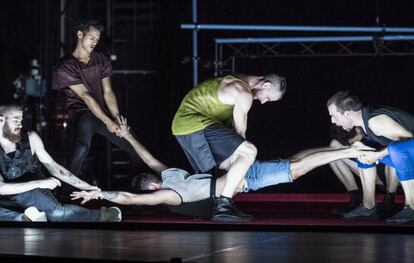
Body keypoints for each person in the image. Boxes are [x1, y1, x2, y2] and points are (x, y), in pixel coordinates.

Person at [71, 117, 366, 220]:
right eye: (148, 180)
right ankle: (343, 151)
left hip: (238, 175)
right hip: (242, 181)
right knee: (295, 167)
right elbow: (131, 199)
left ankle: (341, 150)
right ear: (151, 188)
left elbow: (147, 158)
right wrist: (101, 194)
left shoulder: (168, 177)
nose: (152, 176)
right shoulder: (168, 196)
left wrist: (127, 134)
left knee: (294, 165)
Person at [171, 74, 287, 221]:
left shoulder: (240, 80)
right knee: (249, 152)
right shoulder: (244, 92)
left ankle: (211, 207)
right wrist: (243, 159)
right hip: (193, 123)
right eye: (268, 98)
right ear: (266, 85)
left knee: (227, 166)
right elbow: (240, 133)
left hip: (188, 126)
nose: (263, 102)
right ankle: (223, 205)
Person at [53, 20, 154, 181]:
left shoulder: (100, 59)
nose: (95, 42)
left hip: (103, 114)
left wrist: (117, 119)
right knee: (82, 147)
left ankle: (137, 185)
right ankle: (67, 187)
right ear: (80, 34)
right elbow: (86, 96)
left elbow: (108, 92)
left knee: (133, 144)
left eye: (97, 39)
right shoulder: (65, 67)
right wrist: (108, 122)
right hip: (82, 114)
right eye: (92, 37)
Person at [0, 104, 121, 222]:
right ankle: (24, 218)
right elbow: (2, 188)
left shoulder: (30, 137)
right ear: (1, 120)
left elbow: (53, 167)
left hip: (33, 194)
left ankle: (103, 215)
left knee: (58, 214)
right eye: (16, 120)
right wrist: (39, 183)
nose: (20, 124)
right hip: (9, 195)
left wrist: (85, 186)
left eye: (21, 120)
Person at [327, 90, 414, 223]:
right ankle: (368, 205)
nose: (333, 121)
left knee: (397, 149)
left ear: (348, 114)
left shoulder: (374, 121)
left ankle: (411, 207)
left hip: (408, 150)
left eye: (334, 115)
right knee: (363, 152)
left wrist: (378, 154)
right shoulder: (365, 121)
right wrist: (372, 154)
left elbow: (407, 142)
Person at [328, 125, 399, 217]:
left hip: (397, 176)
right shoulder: (350, 129)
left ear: (358, 129)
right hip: (374, 174)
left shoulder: (374, 123)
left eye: (354, 140)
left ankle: (389, 201)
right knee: (334, 149)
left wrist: (375, 153)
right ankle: (355, 198)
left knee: (395, 152)